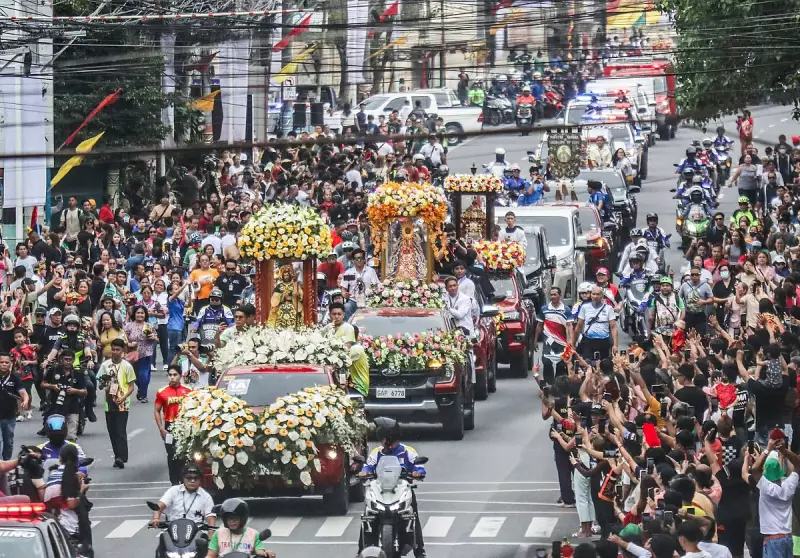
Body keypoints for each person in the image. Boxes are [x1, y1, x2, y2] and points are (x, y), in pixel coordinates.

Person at [359, 418, 426, 558]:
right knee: (366, 515)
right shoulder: (377, 452)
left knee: (414, 515)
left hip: (402, 489)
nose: (381, 440)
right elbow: (367, 465)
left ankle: (419, 550)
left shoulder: (408, 451)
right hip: (380, 489)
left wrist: (417, 472)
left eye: (382, 437)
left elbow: (419, 466)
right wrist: (364, 471)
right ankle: (360, 550)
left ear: (389, 437)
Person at [95, 338, 136, 469]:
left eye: (118, 350)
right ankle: (116, 455)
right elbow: (100, 385)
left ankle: (122, 457)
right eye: (113, 349)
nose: (115, 352)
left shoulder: (127, 366)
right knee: (112, 431)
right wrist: (103, 383)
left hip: (122, 403)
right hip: (109, 401)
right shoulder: (105, 365)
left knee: (120, 430)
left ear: (123, 351)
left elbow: (131, 387)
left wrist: (123, 398)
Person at [154, 365, 192, 485]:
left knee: (185, 454)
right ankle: (174, 482)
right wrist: (161, 429)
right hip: (169, 427)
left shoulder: (189, 391)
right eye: (170, 375)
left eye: (175, 375)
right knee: (171, 454)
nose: (172, 377)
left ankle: (184, 479)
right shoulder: (162, 392)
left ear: (180, 376)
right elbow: (156, 410)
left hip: (185, 426)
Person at [41, 349, 87, 441]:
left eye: (70, 359)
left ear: (73, 360)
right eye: (66, 359)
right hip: (56, 407)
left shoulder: (78, 374)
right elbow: (42, 384)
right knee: (56, 435)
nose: (68, 362)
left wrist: (75, 391)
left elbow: (85, 391)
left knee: (71, 437)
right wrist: (53, 386)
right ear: (61, 359)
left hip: (73, 407)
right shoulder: (53, 371)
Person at [205, 498, 273, 558]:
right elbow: (211, 555)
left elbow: (260, 553)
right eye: (229, 518)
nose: (231, 521)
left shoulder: (254, 534)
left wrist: (266, 554)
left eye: (235, 518)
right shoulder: (218, 533)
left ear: (243, 518)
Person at [150, 463, 215, 525]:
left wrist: (211, 536)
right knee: (163, 536)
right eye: (189, 478)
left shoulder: (206, 496)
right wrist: (156, 518)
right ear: (183, 478)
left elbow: (211, 519)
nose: (192, 481)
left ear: (200, 479)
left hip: (197, 533)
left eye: (196, 478)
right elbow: (159, 506)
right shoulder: (173, 491)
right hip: (174, 530)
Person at [327, 303, 369, 397]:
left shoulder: (356, 349)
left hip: (357, 388)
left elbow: (341, 363)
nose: (336, 317)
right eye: (334, 314)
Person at [534, 287, 573, 385]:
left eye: (555, 294)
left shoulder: (566, 310)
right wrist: (535, 340)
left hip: (562, 342)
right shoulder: (544, 309)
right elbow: (539, 325)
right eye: (551, 295)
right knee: (546, 361)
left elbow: (569, 326)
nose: (553, 297)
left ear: (560, 295)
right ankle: (549, 384)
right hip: (548, 341)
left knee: (561, 365)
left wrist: (570, 341)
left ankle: (558, 385)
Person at [572, 285, 618, 359]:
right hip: (588, 341)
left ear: (602, 296)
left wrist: (615, 345)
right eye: (593, 294)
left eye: (598, 294)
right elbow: (579, 326)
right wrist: (573, 343)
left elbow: (613, 327)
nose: (595, 296)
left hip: (604, 341)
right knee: (587, 364)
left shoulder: (608, 308)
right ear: (591, 295)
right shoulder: (584, 307)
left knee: (604, 364)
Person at [0, 352, 29, 459]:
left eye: (6, 362)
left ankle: (6, 462)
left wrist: (25, 401)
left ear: (10, 363)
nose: (4, 364)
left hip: (9, 416)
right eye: (1, 362)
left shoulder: (15, 377)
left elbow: (23, 393)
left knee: (8, 442)